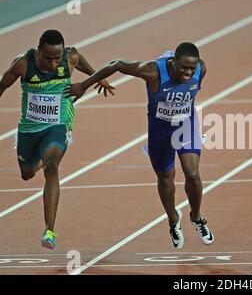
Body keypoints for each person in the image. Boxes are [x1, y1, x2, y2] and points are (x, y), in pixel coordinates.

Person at [65, 42, 214, 249]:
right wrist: (84, 85)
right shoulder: (153, 72)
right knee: (165, 178)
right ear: (172, 64)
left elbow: (192, 80)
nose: (189, 72)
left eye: (192, 68)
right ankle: (173, 220)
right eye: (184, 68)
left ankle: (196, 217)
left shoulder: (201, 69)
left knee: (193, 174)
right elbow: (116, 64)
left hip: (185, 125)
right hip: (160, 131)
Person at [0, 29, 113, 249]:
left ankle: (49, 230)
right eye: (48, 58)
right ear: (38, 51)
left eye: (57, 58)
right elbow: (2, 86)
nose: (53, 63)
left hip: (58, 125)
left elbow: (78, 59)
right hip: (29, 129)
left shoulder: (68, 57)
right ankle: (39, 160)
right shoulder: (23, 64)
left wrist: (98, 77)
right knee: (27, 174)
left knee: (52, 166)